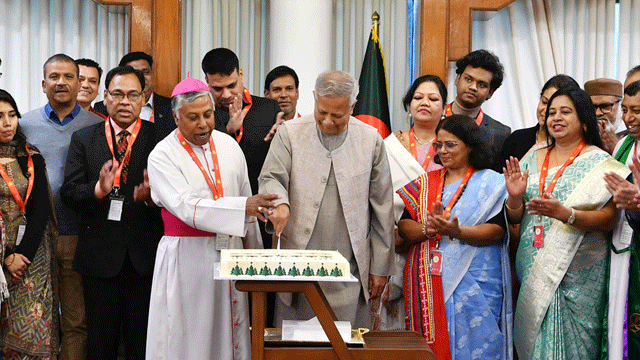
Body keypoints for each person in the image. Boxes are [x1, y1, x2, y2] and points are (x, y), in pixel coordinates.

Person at [145, 76, 278, 360]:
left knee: (231, 331)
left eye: (208, 115)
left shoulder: (229, 145)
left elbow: (250, 211)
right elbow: (186, 206)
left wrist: (256, 261)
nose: (203, 124)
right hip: (187, 259)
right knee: (189, 336)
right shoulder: (162, 155)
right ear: (177, 117)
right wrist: (243, 207)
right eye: (193, 117)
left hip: (231, 254)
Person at [259, 71, 394, 329]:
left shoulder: (370, 140)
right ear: (314, 98)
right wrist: (280, 204)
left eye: (338, 115)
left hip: (351, 268)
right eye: (322, 112)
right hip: (297, 265)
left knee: (347, 346)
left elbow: (383, 207)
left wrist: (380, 268)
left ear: (353, 107)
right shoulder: (289, 133)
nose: (328, 122)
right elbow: (271, 177)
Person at [504, 86, 629, 360]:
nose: (555, 118)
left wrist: (566, 215)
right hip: (533, 269)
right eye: (551, 112)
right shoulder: (531, 157)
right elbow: (515, 217)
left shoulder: (600, 163)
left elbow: (609, 220)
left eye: (565, 112)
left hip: (579, 277)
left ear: (584, 119)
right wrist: (514, 198)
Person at [61, 66, 163, 359]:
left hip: (145, 256)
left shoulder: (161, 137)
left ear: (143, 98)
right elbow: (69, 192)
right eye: (117, 94)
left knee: (141, 341)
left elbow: (177, 194)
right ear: (104, 97)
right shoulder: (85, 138)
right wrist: (97, 190)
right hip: (99, 258)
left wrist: (152, 198)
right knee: (100, 342)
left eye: (133, 95)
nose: (125, 102)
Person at [396, 115, 512, 360]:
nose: (443, 150)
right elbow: (404, 227)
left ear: (470, 145)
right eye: (439, 144)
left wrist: (458, 232)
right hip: (430, 279)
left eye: (451, 144)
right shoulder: (426, 184)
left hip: (479, 278)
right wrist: (429, 229)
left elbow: (497, 231)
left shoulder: (491, 183)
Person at [20, 53, 103, 360]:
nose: (62, 82)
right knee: (34, 316)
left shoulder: (95, 125)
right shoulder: (24, 124)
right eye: (54, 77)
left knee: (74, 320)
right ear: (44, 84)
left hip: (76, 234)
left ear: (79, 82)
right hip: (32, 236)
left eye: (69, 76)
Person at [380, 74, 446, 330]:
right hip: (393, 240)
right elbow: (376, 195)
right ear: (409, 105)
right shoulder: (389, 146)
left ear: (444, 107)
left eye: (433, 98)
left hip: (438, 243)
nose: (424, 103)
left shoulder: (451, 146)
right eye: (418, 98)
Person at [202, 48, 283, 250]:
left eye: (232, 85)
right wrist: (227, 131)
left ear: (241, 75)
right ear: (207, 82)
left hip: (264, 211)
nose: (227, 94)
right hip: (222, 213)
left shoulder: (269, 109)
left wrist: (282, 139)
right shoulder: (204, 117)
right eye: (217, 89)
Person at [0, 89, 58, 359]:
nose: (7, 123)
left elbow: (40, 211)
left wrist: (21, 255)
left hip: (29, 258)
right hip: (0, 255)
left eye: (12, 115)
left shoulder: (31, 157)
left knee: (27, 329)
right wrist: (5, 257)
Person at [602, 80, 640, 359]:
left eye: (637, 110)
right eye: (625, 109)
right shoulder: (623, 144)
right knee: (618, 319)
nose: (628, 118)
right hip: (621, 245)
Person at [447, 49, 510, 171]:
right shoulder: (434, 120)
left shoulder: (501, 134)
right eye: (468, 79)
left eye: (481, 84)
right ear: (457, 79)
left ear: (490, 93)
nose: (473, 88)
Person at [94, 52, 176, 141]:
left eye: (146, 72)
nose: (141, 77)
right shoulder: (101, 108)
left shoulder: (172, 107)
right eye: (134, 72)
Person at [585, 78, 626, 154]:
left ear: (621, 106)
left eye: (605, 106)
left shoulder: (632, 136)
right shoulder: (582, 136)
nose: (597, 113)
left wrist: (617, 150)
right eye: (593, 107)